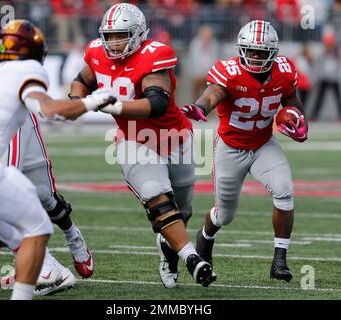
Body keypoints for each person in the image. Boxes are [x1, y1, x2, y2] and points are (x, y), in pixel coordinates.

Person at [69, 3, 216, 288]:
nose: (113, 42)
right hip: (134, 139)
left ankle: (170, 247)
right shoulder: (97, 52)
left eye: (120, 35)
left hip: (174, 137)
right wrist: (77, 101)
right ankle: (192, 259)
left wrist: (113, 106)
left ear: (138, 34)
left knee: (182, 210)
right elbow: (81, 81)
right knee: (158, 198)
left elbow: (157, 104)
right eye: (109, 36)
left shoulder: (155, 54)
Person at [0, 19, 113, 299]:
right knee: (21, 222)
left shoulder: (4, 70)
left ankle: (61, 250)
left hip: (11, 114)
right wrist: (93, 101)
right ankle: (47, 269)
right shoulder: (23, 70)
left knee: (39, 199)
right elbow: (51, 110)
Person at [183, 20, 308, 282]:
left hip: (263, 143)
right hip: (231, 147)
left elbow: (292, 100)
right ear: (241, 49)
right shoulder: (228, 71)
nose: (255, 56)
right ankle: (205, 237)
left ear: (273, 53)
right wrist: (200, 108)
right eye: (250, 50)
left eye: (261, 52)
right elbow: (213, 94)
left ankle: (279, 261)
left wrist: (296, 119)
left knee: (284, 190)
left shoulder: (284, 70)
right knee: (224, 215)